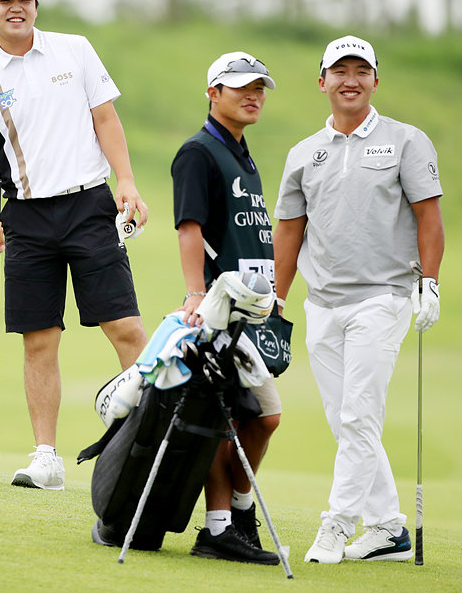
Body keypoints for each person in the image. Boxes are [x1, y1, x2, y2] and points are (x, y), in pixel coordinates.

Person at [0, 0, 149, 490]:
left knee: (125, 326)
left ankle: (152, 439)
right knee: (39, 339)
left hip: (89, 206)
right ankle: (46, 458)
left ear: (35, 5)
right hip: (26, 217)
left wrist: (125, 182)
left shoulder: (75, 50)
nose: (17, 6)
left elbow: (105, 119)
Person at [272, 35, 444, 564]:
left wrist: (429, 282)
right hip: (322, 303)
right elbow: (289, 230)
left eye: (361, 71)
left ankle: (337, 525)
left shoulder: (406, 141)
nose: (351, 80)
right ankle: (389, 528)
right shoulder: (305, 152)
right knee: (344, 419)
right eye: (339, 71)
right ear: (322, 81)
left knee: (359, 415)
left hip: (382, 298)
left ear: (375, 80)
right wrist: (276, 297)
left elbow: (429, 219)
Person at [171, 52, 282, 565]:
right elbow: (189, 228)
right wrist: (196, 294)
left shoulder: (241, 152)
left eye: (259, 87)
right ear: (213, 93)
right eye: (241, 87)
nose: (252, 95)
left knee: (254, 417)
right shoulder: (199, 152)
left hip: (252, 309)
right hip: (219, 306)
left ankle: (235, 518)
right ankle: (222, 526)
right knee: (241, 414)